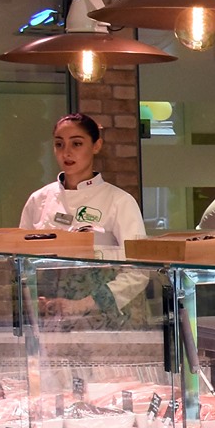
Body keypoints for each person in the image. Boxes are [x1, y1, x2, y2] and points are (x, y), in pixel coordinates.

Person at [20, 113, 148, 320]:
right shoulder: (38, 200)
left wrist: (84, 304)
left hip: (106, 321)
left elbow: (139, 271)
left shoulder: (120, 201)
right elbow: (22, 262)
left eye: (77, 144)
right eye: (59, 144)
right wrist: (34, 298)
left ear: (96, 146)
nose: (66, 152)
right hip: (49, 318)